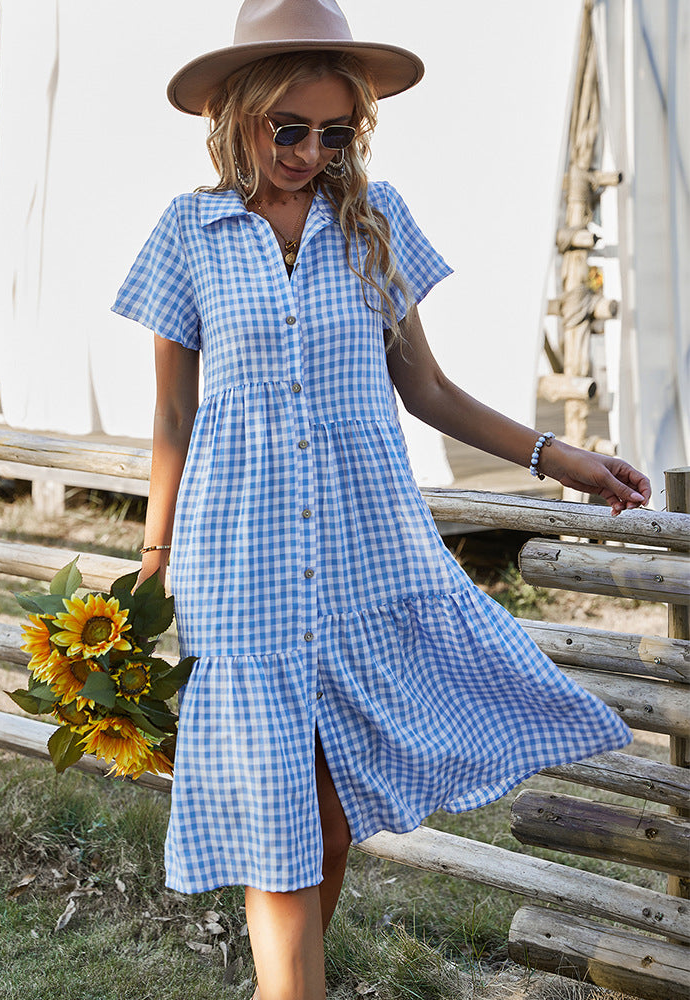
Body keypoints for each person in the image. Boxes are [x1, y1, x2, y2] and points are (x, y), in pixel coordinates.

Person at [112, 3, 652, 998]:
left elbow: (428, 391)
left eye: (332, 133)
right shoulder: (187, 231)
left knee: (320, 809)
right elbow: (173, 419)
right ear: (236, 114)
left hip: (367, 552)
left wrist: (556, 455)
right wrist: (151, 567)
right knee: (275, 817)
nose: (310, 152)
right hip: (239, 560)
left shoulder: (376, 218)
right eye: (290, 130)